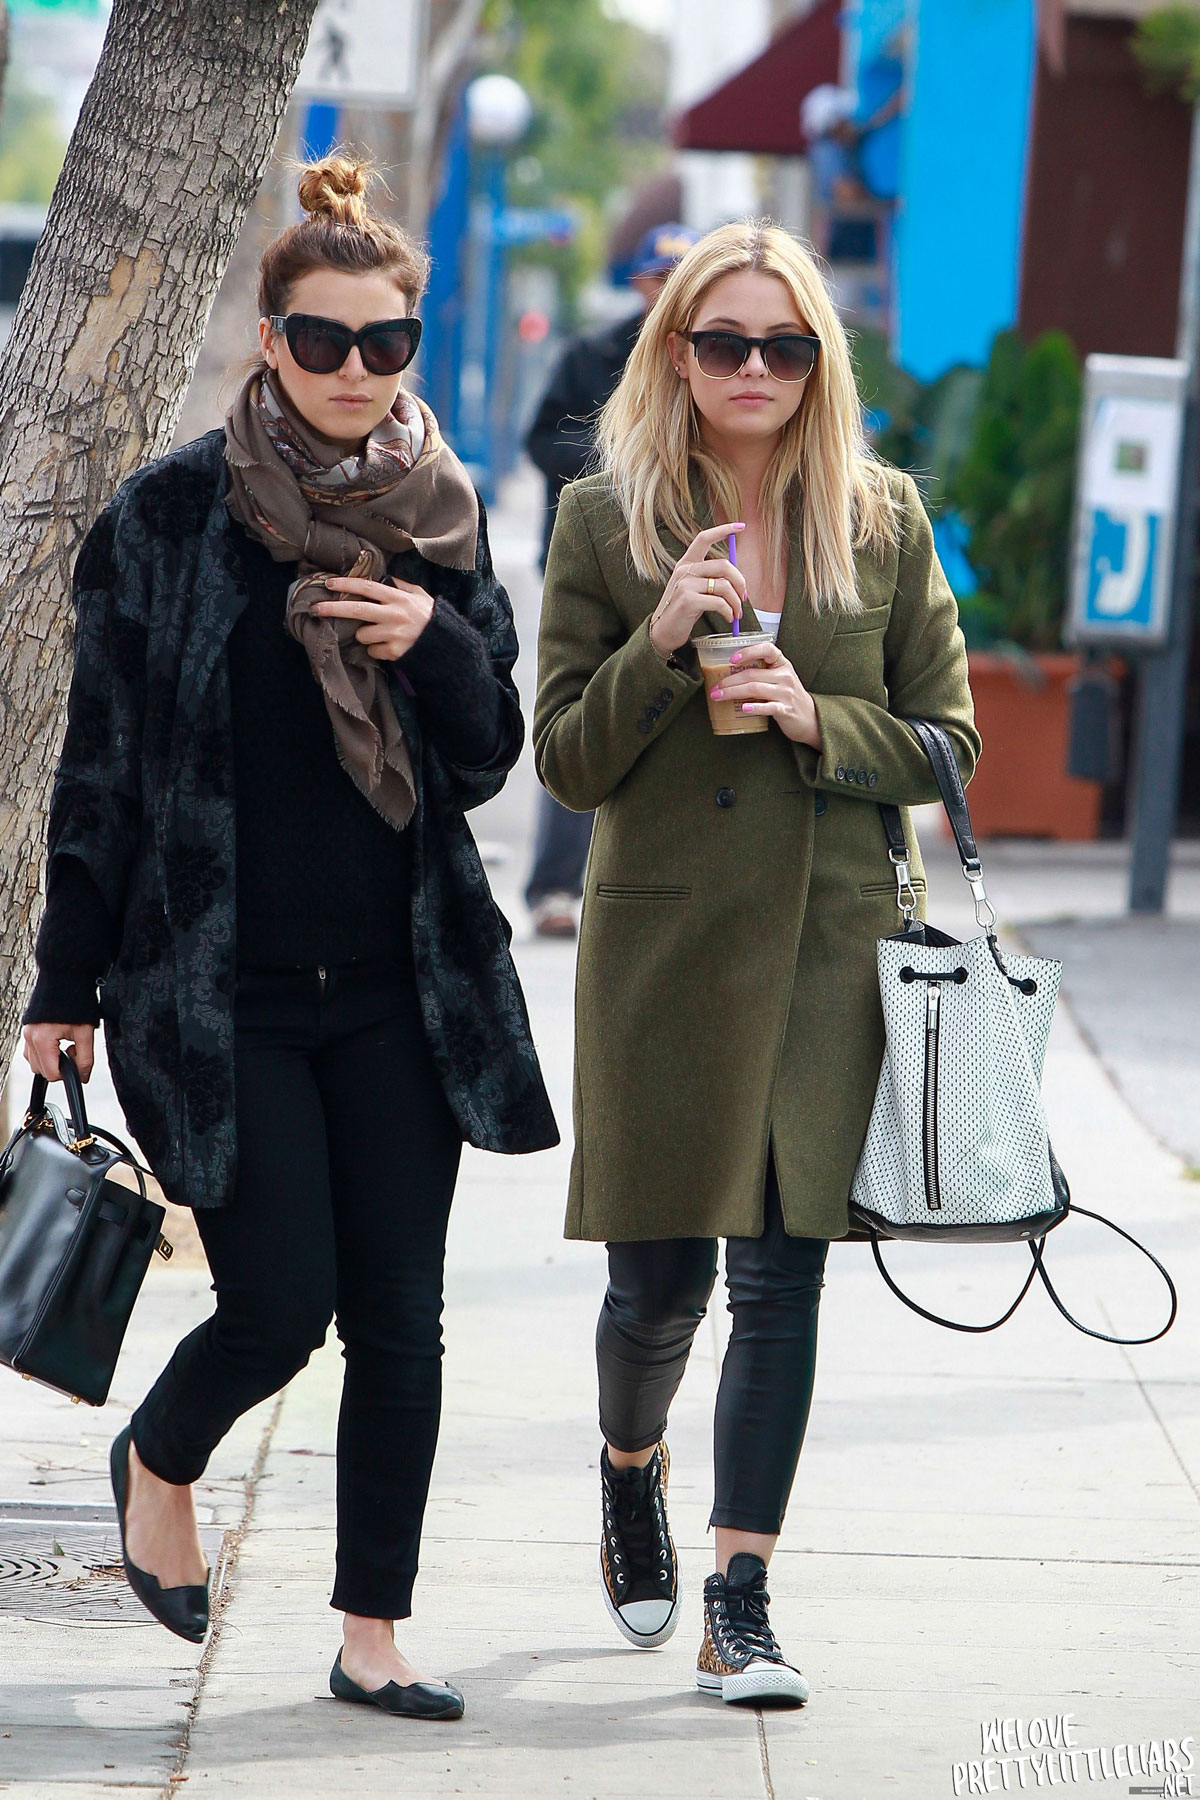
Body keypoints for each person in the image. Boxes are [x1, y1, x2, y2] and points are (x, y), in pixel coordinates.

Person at [22, 155, 557, 1721]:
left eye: (385, 342)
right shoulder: (169, 515)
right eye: (321, 340)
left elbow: (487, 756)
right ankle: (160, 1452)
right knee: (277, 1304)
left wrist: (433, 641)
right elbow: (102, 769)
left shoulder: (441, 517)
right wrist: (62, 981)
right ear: (271, 339)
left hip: (403, 991)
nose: (352, 369)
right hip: (217, 994)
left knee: (402, 1323)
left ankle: (371, 1633)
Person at [534, 220, 979, 1705]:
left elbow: (951, 741)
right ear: (677, 351)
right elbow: (565, 760)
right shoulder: (606, 518)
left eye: (785, 347)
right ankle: (629, 1465)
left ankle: (742, 1599)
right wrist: (662, 637)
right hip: (665, 952)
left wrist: (817, 721)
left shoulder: (881, 517)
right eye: (725, 342)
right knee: (659, 1292)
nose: (755, 370)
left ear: (816, 364)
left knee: (782, 1288)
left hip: (827, 951)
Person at [523, 222, 699, 938]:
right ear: (641, 282)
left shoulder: (717, 360)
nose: (669, 291)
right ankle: (555, 887)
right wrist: (625, 466)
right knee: (581, 716)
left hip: (685, 568)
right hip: (599, 562)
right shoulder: (592, 355)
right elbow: (541, 441)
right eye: (661, 278)